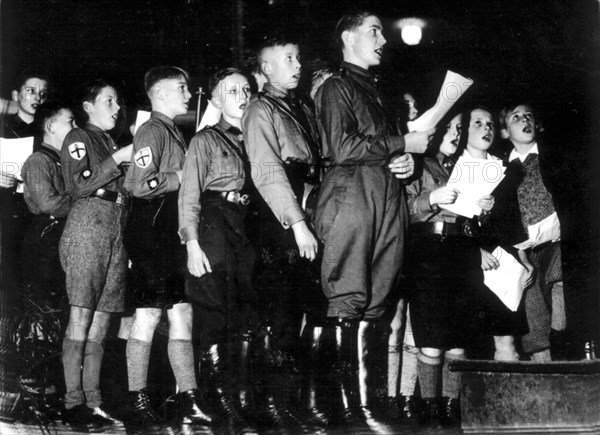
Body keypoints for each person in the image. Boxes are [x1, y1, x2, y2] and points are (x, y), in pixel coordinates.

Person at [312, 11, 432, 423]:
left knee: (378, 302)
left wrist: (405, 164)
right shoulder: (336, 88)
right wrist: (403, 142)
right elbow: (343, 147)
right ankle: (350, 411)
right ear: (348, 37)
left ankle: (367, 407)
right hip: (352, 198)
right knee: (349, 297)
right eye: (374, 30)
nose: (383, 38)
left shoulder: (379, 90)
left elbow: (381, 147)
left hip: (387, 197)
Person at [242, 36, 326, 427]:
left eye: (298, 56)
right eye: (288, 58)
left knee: (303, 310)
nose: (297, 64)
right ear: (267, 68)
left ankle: (296, 401)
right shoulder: (260, 108)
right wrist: (297, 223)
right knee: (280, 312)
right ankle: (272, 405)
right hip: (279, 217)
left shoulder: (302, 105)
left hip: (306, 202)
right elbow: (267, 170)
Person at [123, 66, 212, 432]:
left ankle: (188, 397)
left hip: (166, 234)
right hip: (151, 233)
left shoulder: (172, 130)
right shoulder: (152, 130)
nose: (188, 95)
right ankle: (136, 399)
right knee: (149, 316)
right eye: (181, 88)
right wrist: (182, 179)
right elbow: (138, 183)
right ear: (159, 94)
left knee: (182, 314)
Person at [405, 109, 497, 427]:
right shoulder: (416, 164)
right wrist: (432, 198)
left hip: (462, 251)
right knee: (431, 335)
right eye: (452, 128)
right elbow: (404, 209)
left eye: (460, 129)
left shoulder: (465, 167)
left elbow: (470, 216)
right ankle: (430, 409)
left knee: (458, 336)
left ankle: (451, 408)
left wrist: (484, 211)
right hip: (428, 252)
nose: (457, 135)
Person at [179, 67, 256, 434]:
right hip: (212, 226)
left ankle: (238, 399)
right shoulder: (205, 141)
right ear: (215, 101)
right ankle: (219, 403)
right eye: (232, 91)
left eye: (247, 88)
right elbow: (189, 196)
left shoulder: (259, 138)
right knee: (215, 317)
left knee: (242, 318)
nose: (242, 95)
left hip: (244, 228)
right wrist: (192, 245)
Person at [59, 79, 132, 432]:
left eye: (118, 102)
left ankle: (94, 401)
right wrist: (118, 158)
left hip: (115, 228)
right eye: (109, 100)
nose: (116, 108)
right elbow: (77, 185)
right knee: (82, 315)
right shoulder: (78, 138)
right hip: (88, 224)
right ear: (88, 105)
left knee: (102, 320)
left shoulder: (110, 141)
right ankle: (73, 403)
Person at [490, 103, 568, 361]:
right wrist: (517, 254)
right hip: (524, 254)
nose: (525, 120)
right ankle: (543, 377)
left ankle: (564, 345)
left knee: (561, 288)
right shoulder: (500, 170)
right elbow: (499, 219)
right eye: (516, 117)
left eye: (529, 115)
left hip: (557, 244)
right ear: (504, 132)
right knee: (534, 324)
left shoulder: (555, 157)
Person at [21, 101, 74, 307]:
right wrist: (85, 201)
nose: (76, 127)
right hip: (46, 239)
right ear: (51, 127)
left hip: (62, 235)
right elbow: (48, 204)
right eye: (70, 121)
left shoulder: (65, 161)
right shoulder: (38, 161)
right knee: (45, 308)